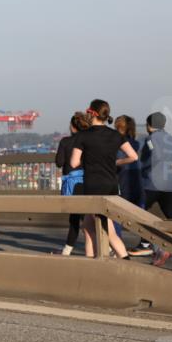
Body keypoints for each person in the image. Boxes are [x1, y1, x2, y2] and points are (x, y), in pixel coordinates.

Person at [69, 99, 138, 259]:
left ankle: (125, 260)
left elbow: (73, 163)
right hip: (112, 186)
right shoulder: (115, 135)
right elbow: (133, 156)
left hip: (93, 187)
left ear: (91, 113)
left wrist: (87, 158)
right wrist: (115, 162)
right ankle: (91, 264)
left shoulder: (83, 136)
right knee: (87, 227)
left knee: (108, 230)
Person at [131, 111, 172, 266]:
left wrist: (142, 166)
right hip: (169, 182)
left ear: (149, 125)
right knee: (171, 214)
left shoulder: (150, 139)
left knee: (140, 211)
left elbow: (155, 157)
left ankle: (146, 244)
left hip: (152, 182)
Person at [54, 112, 90, 255]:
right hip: (88, 180)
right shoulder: (88, 141)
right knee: (89, 217)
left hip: (72, 182)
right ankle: (107, 247)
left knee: (75, 218)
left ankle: (67, 250)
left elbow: (59, 162)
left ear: (72, 126)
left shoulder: (65, 141)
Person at [112, 115, 144, 238]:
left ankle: (116, 243)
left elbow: (117, 160)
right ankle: (151, 244)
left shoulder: (117, 142)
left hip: (123, 177)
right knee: (141, 212)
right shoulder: (136, 142)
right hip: (137, 176)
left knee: (116, 213)